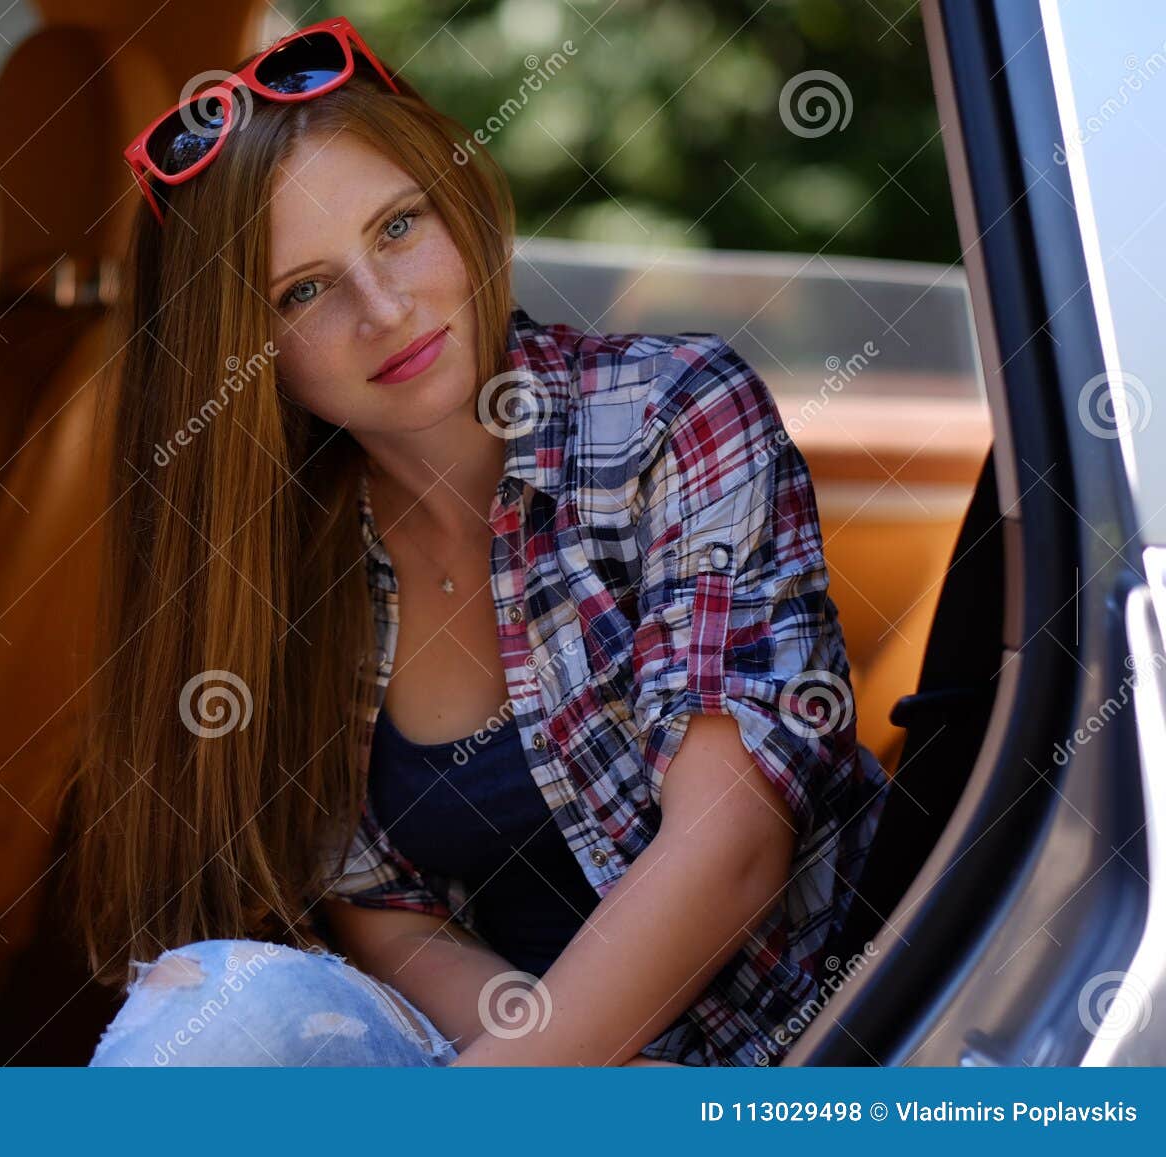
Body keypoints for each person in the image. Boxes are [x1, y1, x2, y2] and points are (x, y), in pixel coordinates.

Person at [71, 15, 890, 1068]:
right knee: (215, 1015)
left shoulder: (669, 413)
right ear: (245, 354)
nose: (385, 308)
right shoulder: (270, 558)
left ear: (454, 206)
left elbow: (728, 846)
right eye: (304, 291)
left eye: (398, 227)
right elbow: (382, 913)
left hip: (791, 1056)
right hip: (508, 1059)